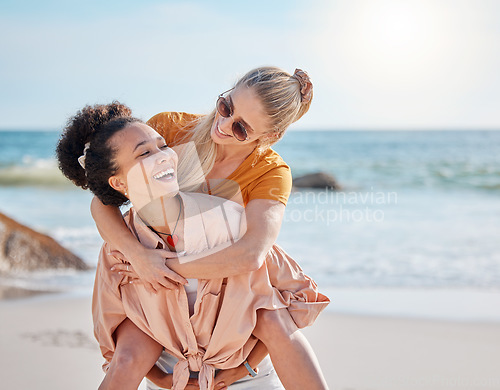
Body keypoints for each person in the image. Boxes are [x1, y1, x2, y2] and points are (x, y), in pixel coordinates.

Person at [87, 67, 329, 390]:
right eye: (227, 106)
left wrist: (170, 267)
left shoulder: (270, 173)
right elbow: (103, 202)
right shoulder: (169, 130)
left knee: (276, 322)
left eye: (241, 128)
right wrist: (141, 258)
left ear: (269, 137)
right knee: (127, 360)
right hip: (158, 296)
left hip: (228, 303)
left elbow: (253, 253)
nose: (224, 124)